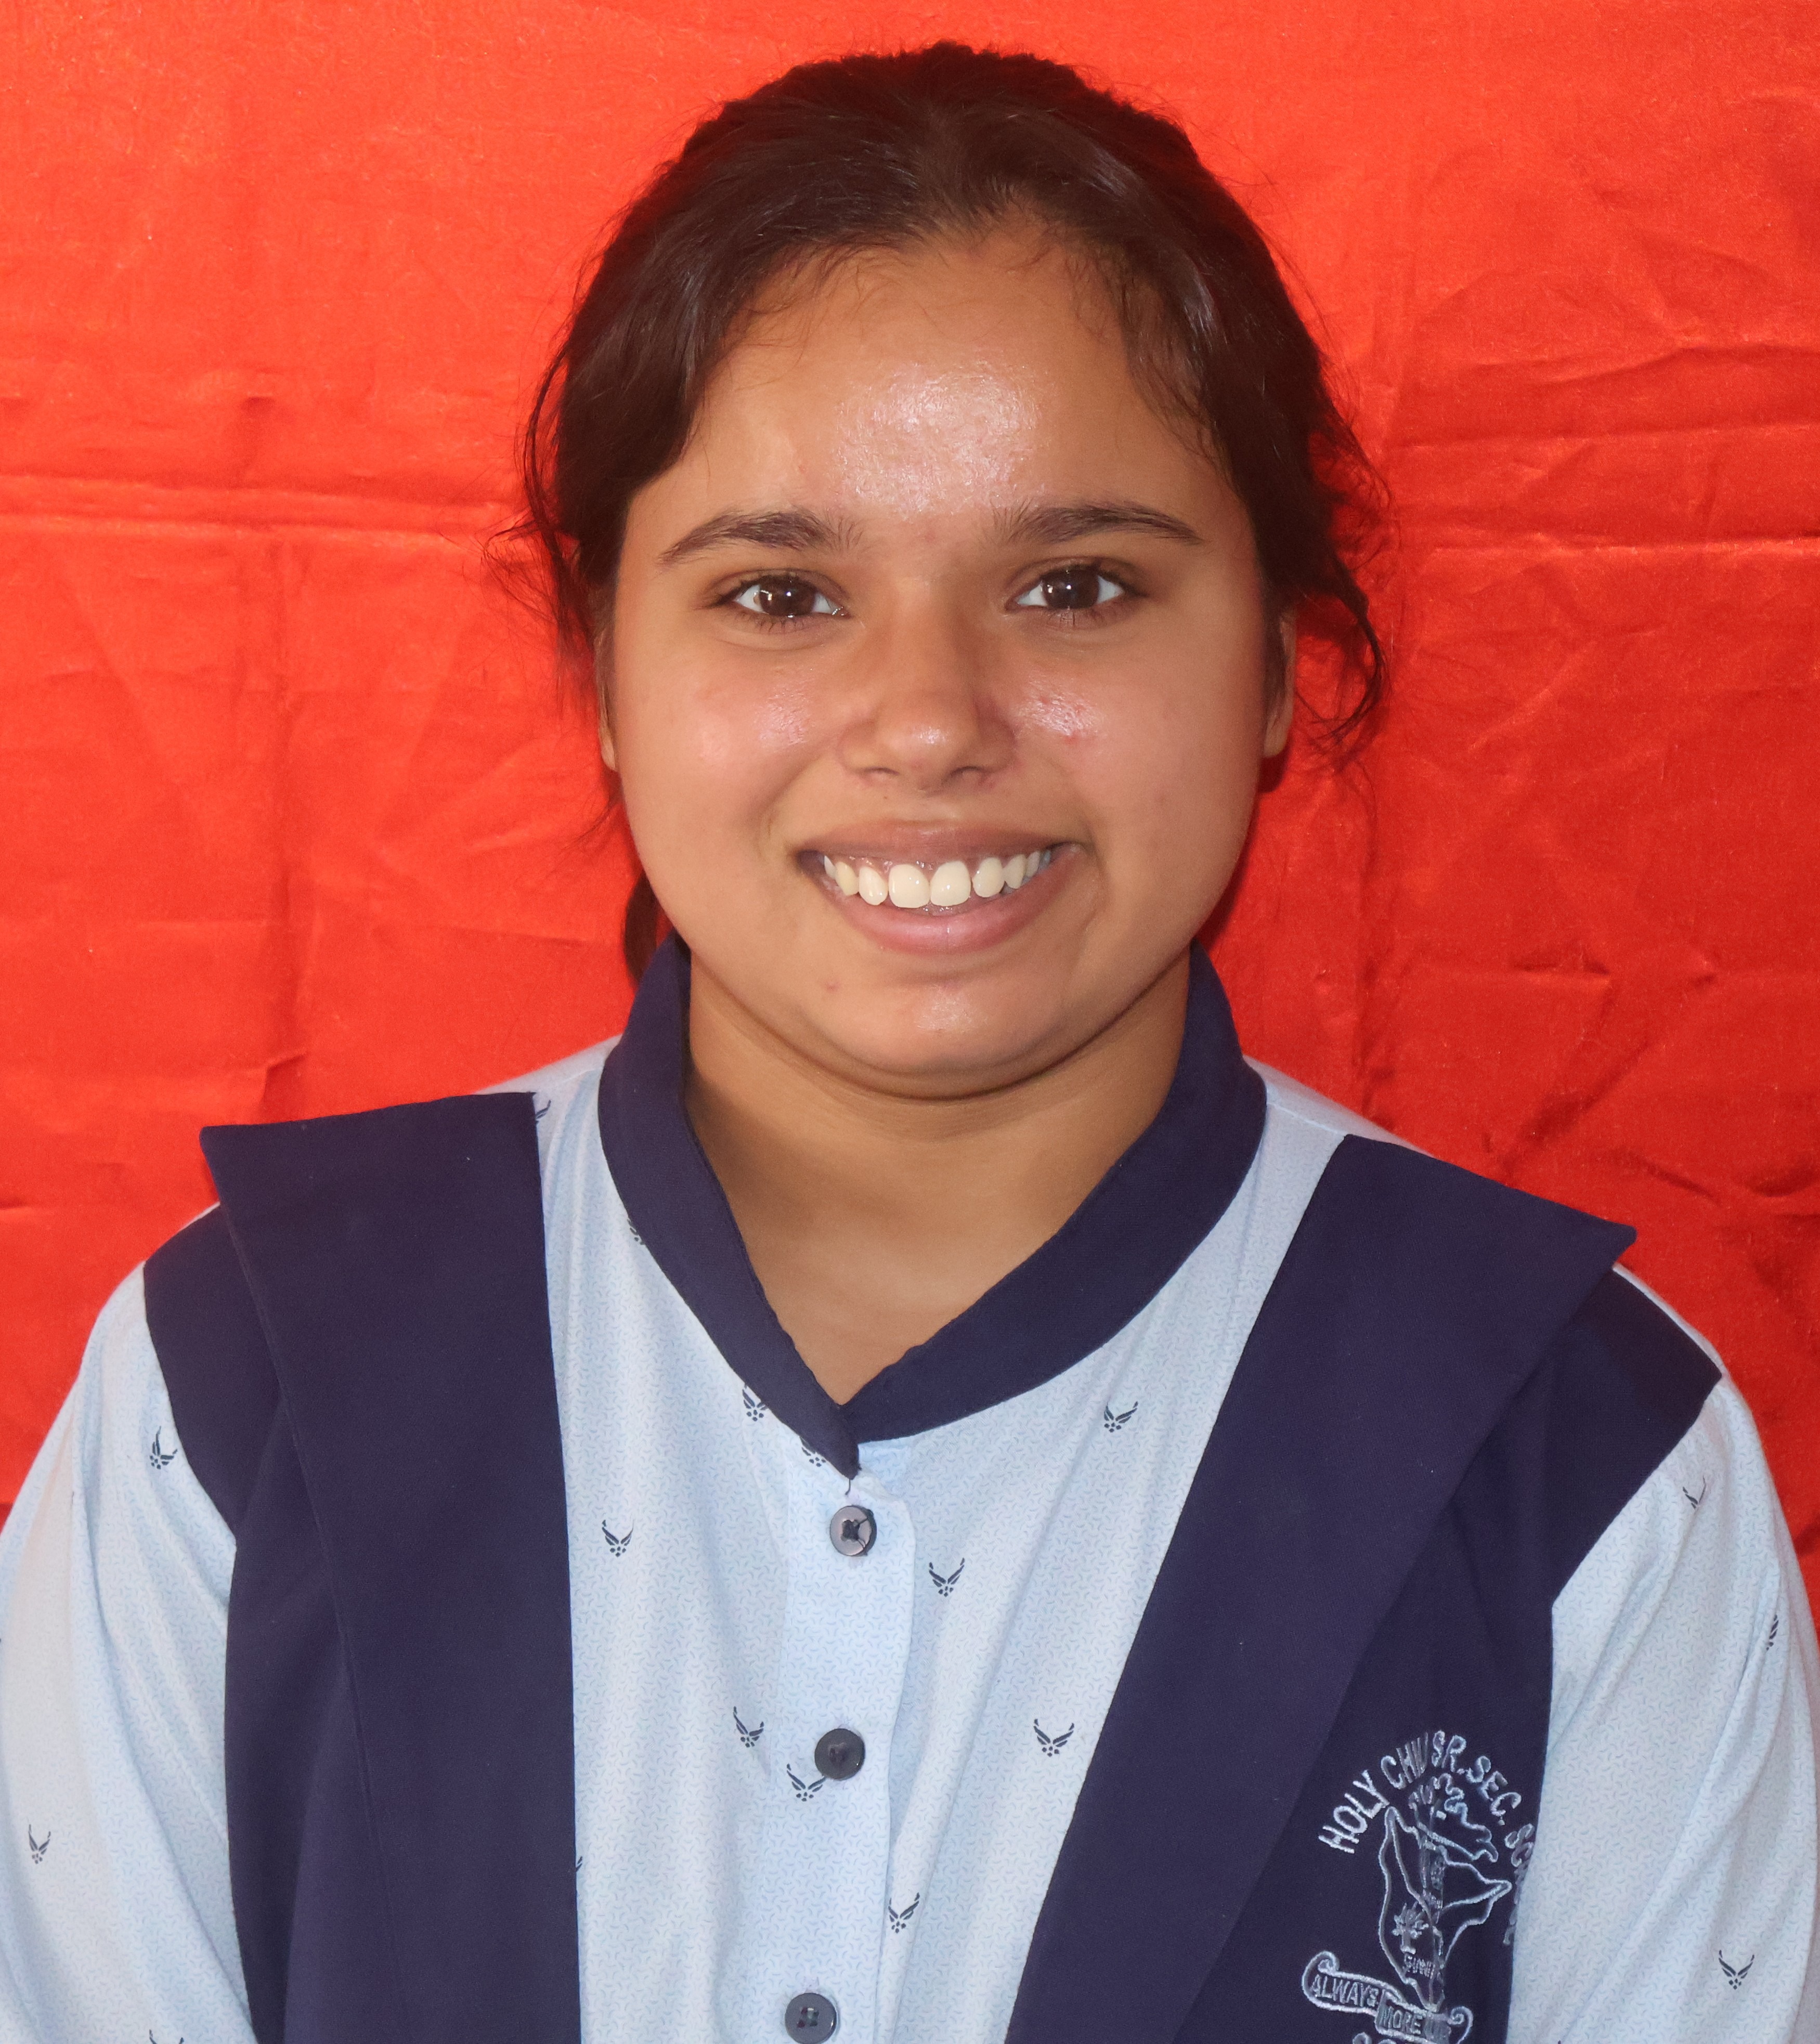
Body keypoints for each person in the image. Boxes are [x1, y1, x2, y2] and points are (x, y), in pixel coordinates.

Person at [0, 41, 1813, 2044]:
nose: (932, 717)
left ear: (1278, 663)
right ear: (601, 666)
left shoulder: (1579, 1459)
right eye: (781, 593)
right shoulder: (237, 1390)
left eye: (1077, 584)